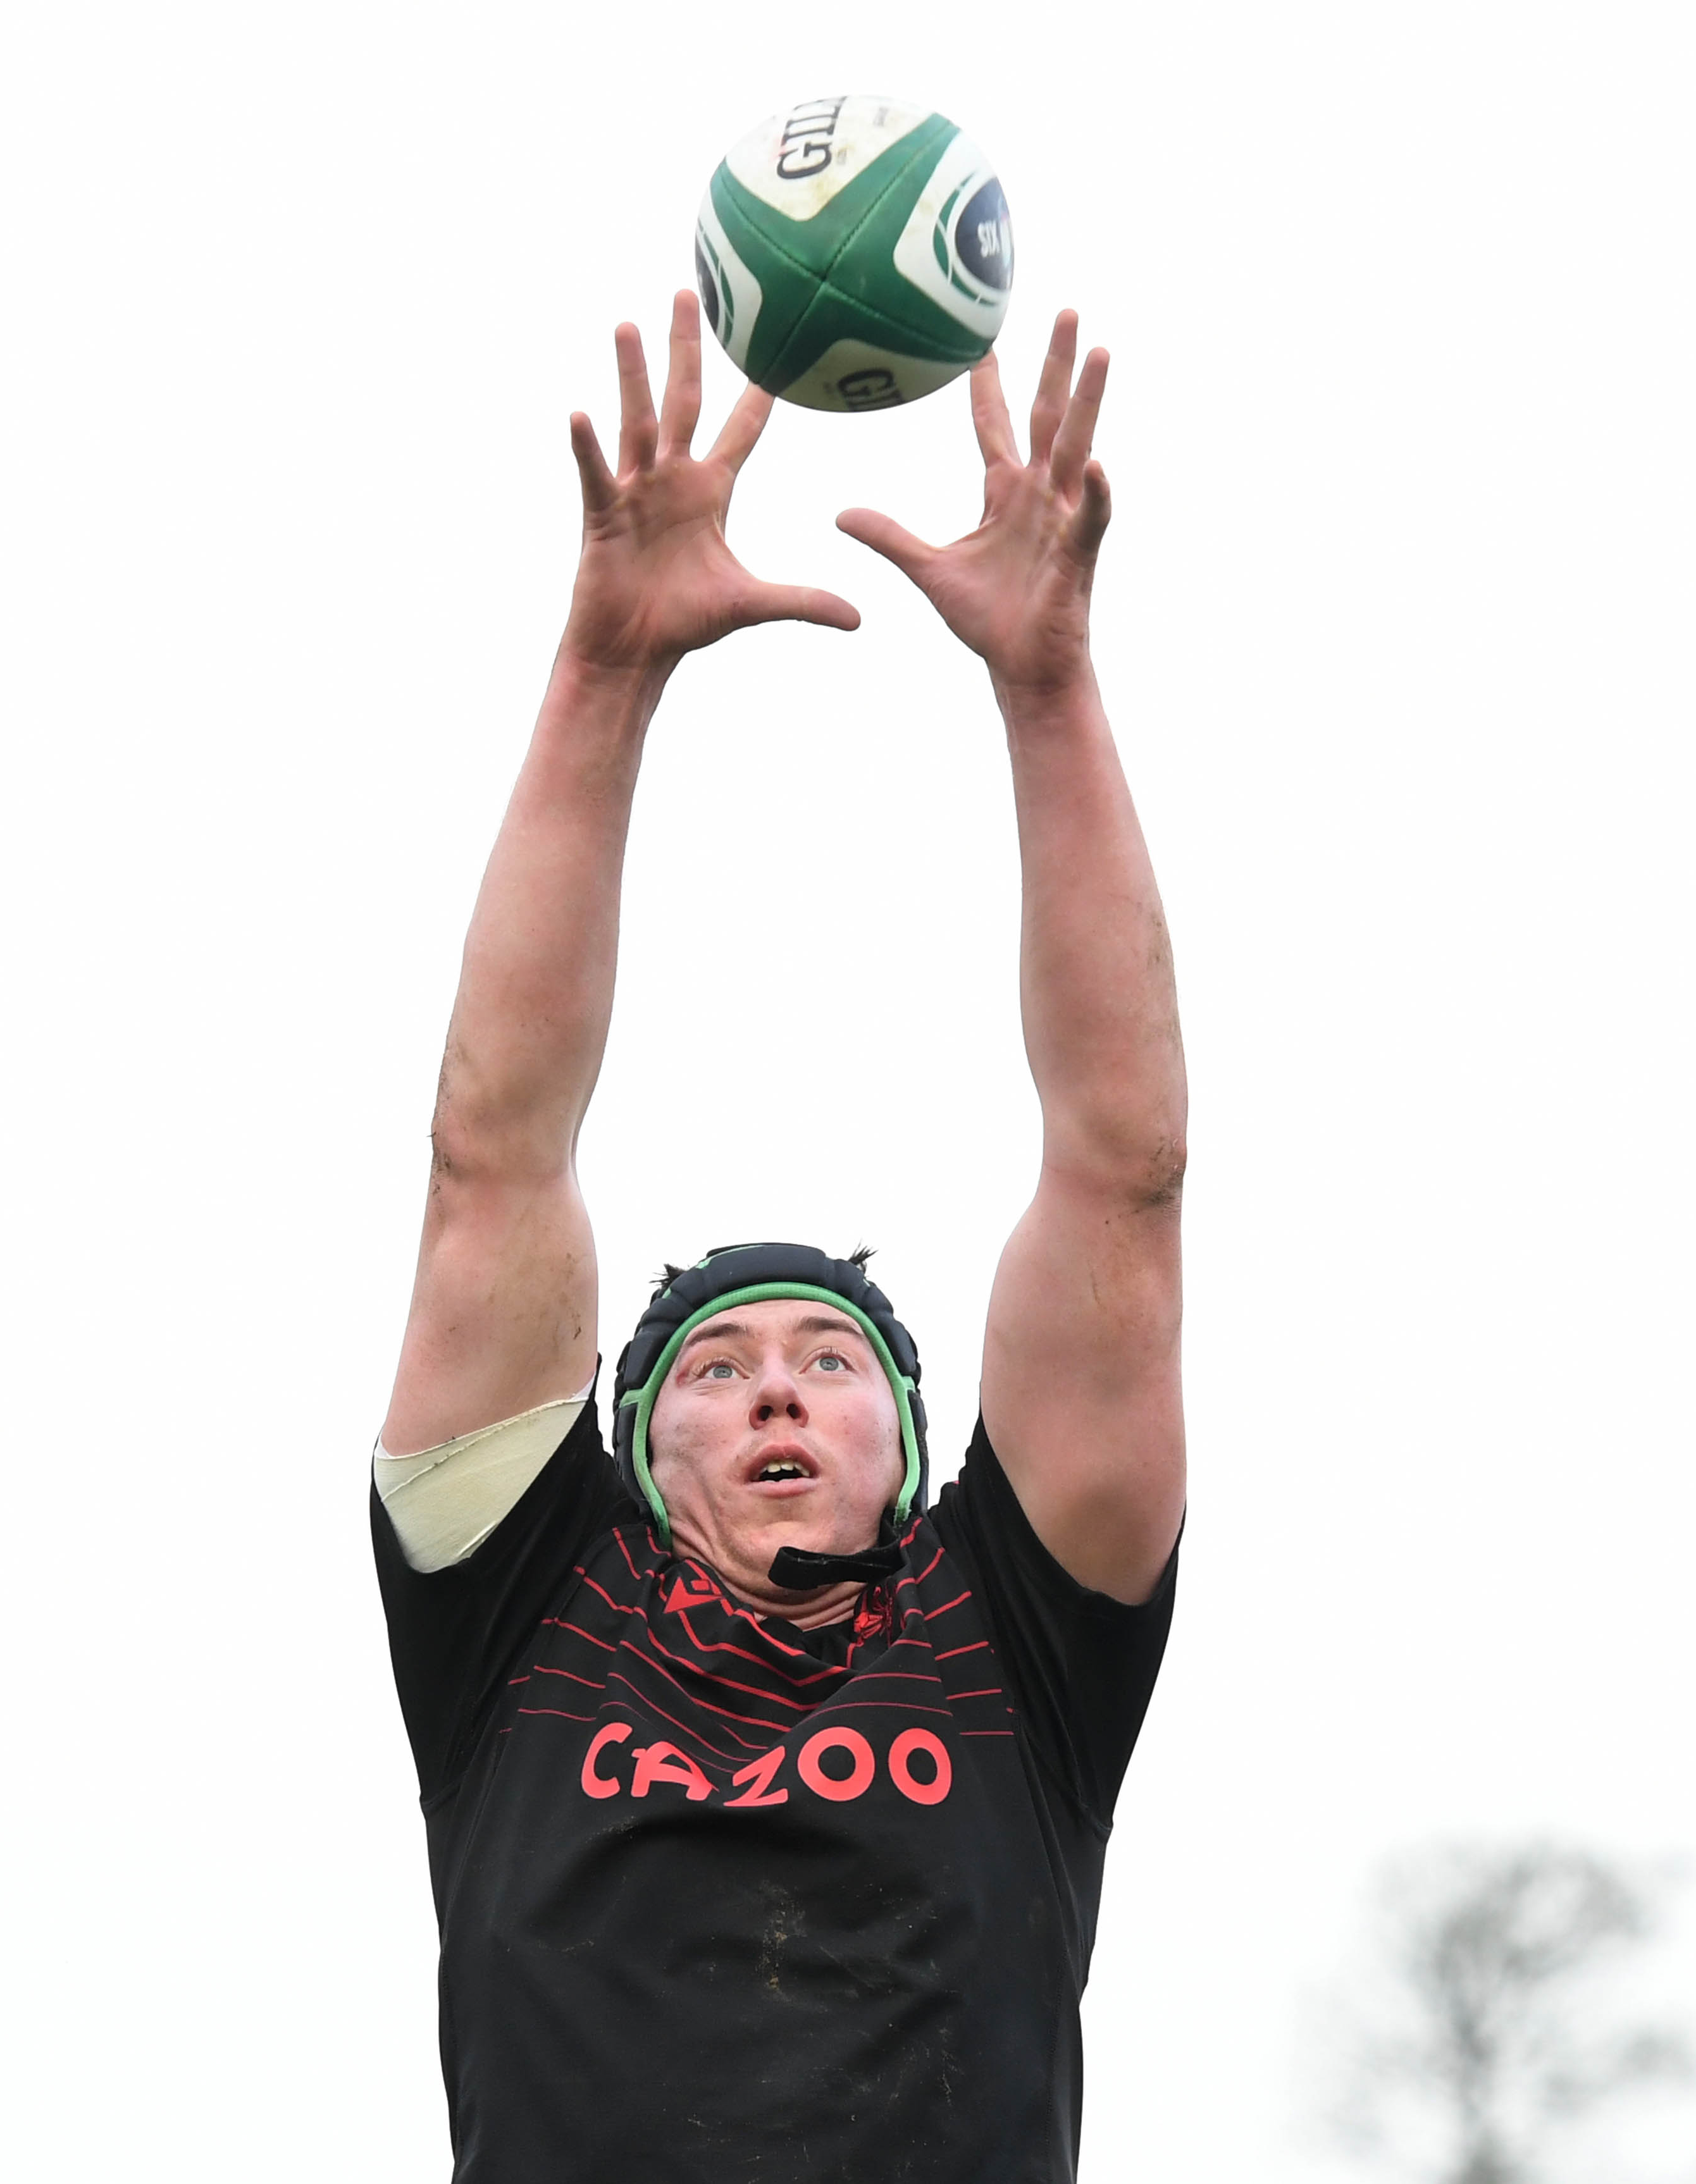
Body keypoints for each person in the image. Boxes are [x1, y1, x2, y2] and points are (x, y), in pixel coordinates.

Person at [369, 290, 1186, 2182]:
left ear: (909, 1446)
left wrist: (1048, 695)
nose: (776, 1392)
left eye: (830, 1361)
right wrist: (604, 674)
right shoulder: (525, 1620)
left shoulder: (1004, 1630)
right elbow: (493, 1162)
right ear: (635, 1452)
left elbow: (1119, 1171)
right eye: (716, 1371)